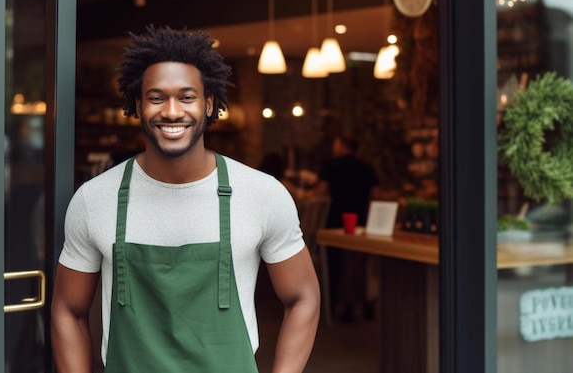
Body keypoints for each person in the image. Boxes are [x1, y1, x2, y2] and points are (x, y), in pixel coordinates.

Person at [51, 26, 320, 372]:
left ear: (209, 104)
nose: (172, 112)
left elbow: (303, 297)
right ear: (138, 105)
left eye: (187, 97)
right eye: (157, 97)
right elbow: (67, 310)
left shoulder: (261, 194)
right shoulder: (95, 199)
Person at [316, 133, 379, 322]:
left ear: (343, 146)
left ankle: (339, 307)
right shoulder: (366, 167)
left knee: (335, 264)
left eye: (336, 143)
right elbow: (377, 194)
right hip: (361, 221)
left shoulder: (331, 167)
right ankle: (364, 305)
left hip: (336, 221)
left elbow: (320, 192)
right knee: (360, 265)